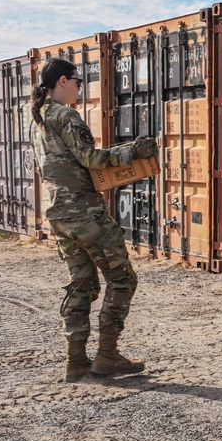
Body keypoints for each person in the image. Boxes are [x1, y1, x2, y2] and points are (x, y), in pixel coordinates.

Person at [30, 57, 159, 382]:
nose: (79, 87)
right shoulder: (66, 115)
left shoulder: (36, 117)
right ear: (62, 81)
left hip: (58, 213)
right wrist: (135, 151)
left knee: (83, 284)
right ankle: (106, 355)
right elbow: (92, 159)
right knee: (122, 280)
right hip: (84, 212)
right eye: (77, 80)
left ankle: (76, 363)